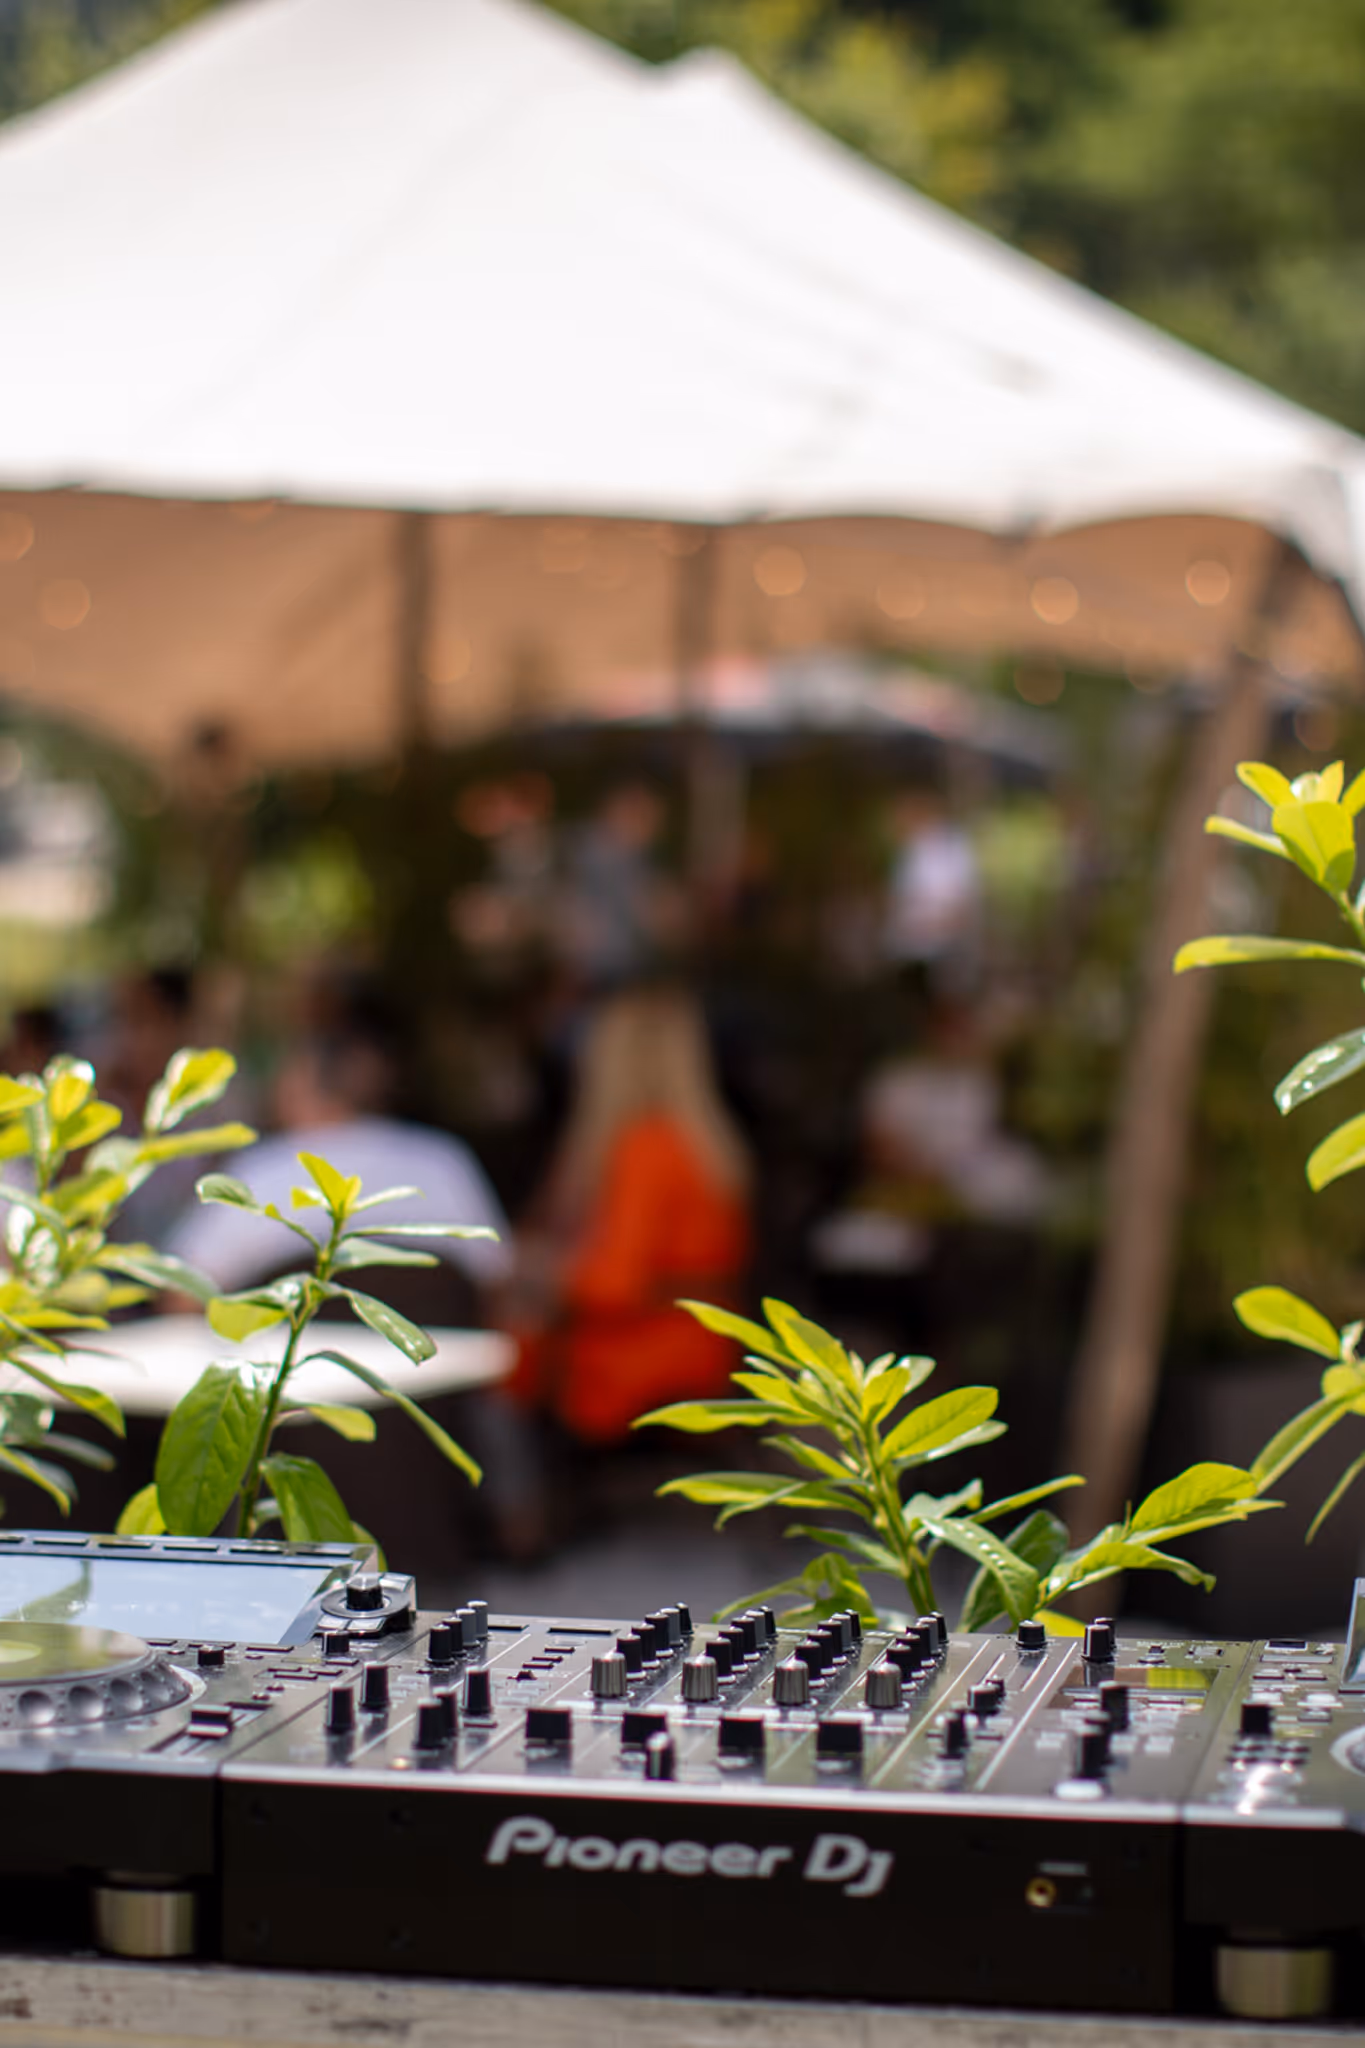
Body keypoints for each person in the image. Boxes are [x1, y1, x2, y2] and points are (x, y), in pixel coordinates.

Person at [506, 984, 751, 1446]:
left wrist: (542, 1271)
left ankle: (515, 1516)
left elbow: (617, 1283)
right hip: (703, 1350)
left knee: (496, 1373)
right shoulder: (710, 1147)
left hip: (636, 1360)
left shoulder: (645, 1149)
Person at [169, 1019, 511, 1305]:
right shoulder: (442, 1160)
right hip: (438, 1379)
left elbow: (183, 1294)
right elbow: (499, 1284)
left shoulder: (260, 1170)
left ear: (299, 1085)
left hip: (287, 1380)